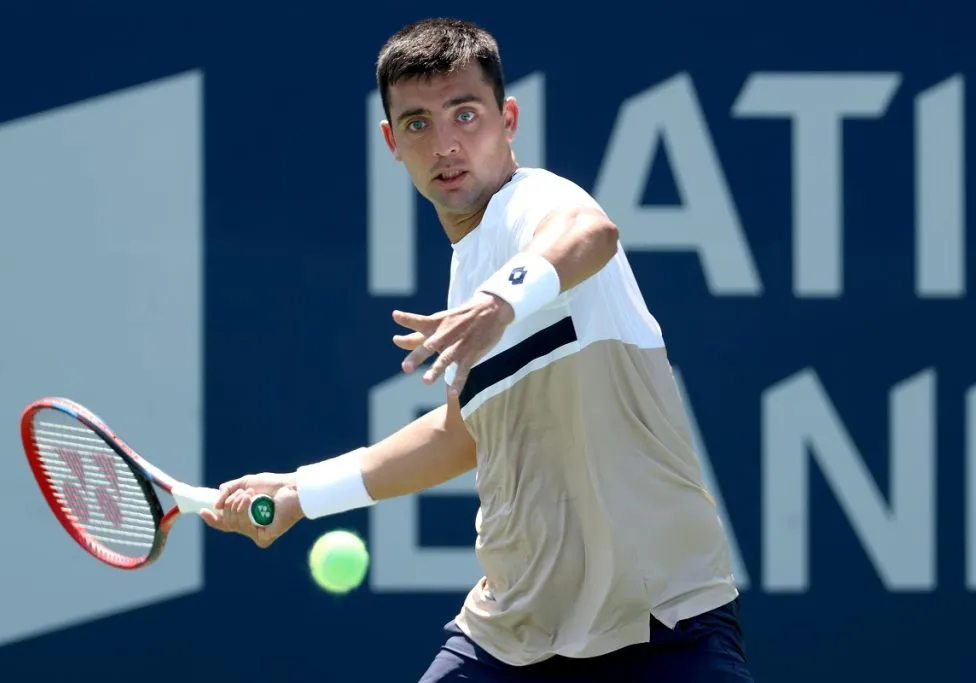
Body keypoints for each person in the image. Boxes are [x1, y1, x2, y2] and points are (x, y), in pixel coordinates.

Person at [201, 16, 754, 683]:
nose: (445, 145)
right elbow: (460, 436)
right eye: (418, 124)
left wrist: (498, 303)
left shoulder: (534, 202)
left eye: (465, 114)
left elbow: (590, 231)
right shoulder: (468, 266)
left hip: (660, 622)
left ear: (508, 118)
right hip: (513, 632)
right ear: (391, 142)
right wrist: (300, 491)